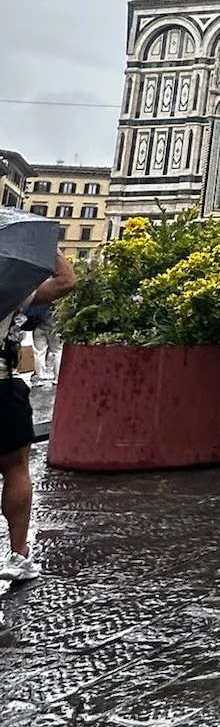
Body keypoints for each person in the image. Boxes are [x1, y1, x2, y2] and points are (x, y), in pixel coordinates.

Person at [1, 248, 75, 583]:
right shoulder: (8, 287)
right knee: (15, 468)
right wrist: (48, 242)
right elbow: (65, 282)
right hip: (0, 386)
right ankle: (18, 556)